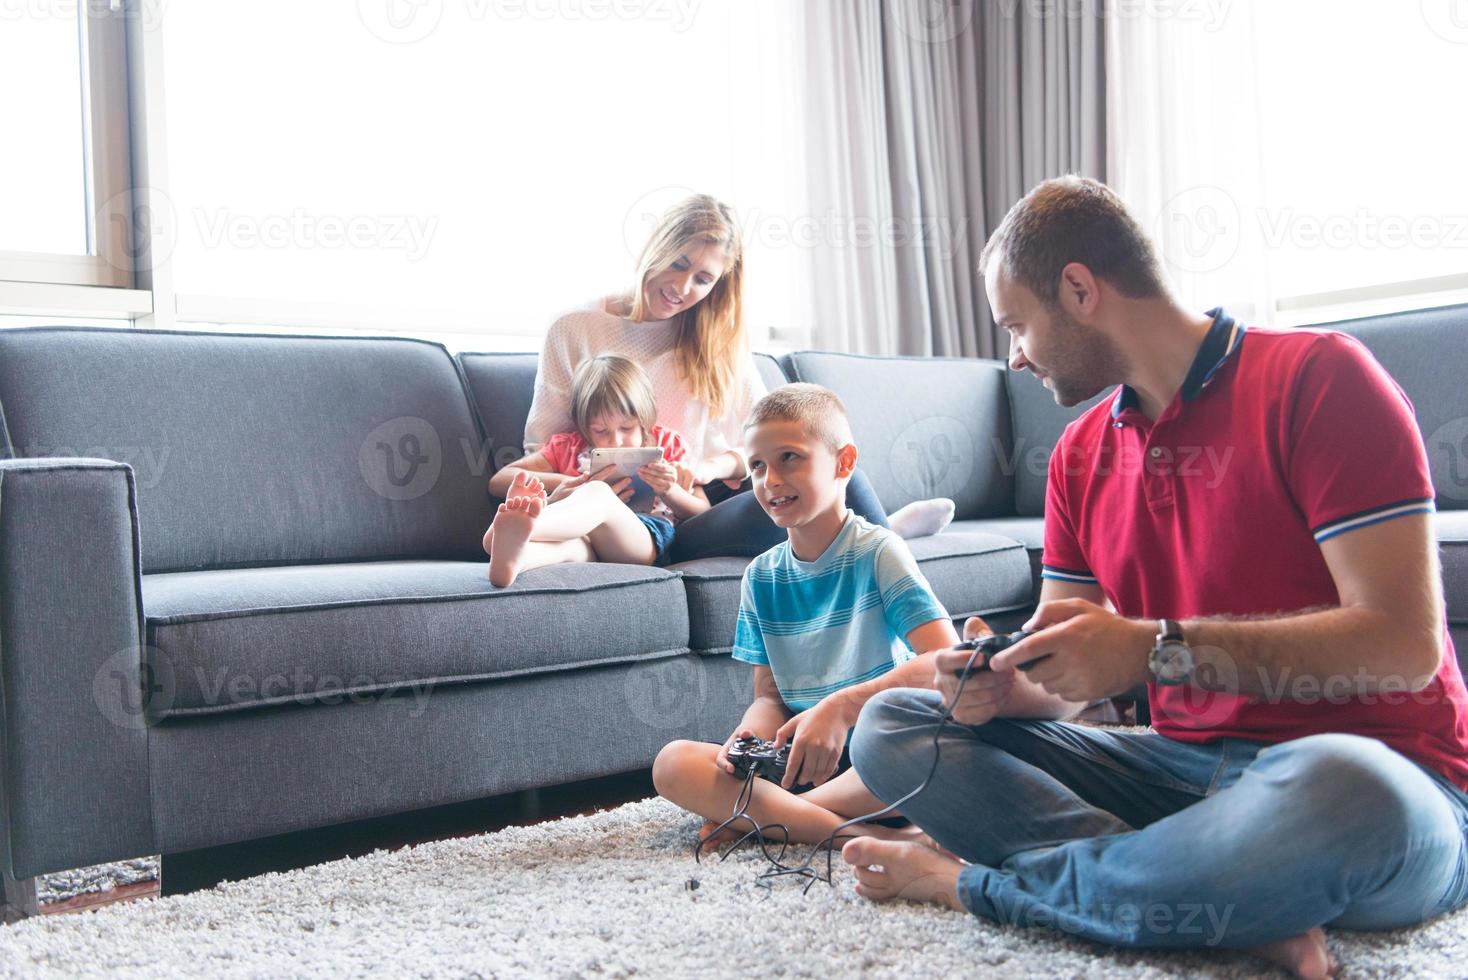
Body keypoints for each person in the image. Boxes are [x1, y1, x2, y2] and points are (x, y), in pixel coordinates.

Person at [839, 176, 1468, 980]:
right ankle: (1211, 899)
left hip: (1384, 779)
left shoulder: (1320, 379)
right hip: (1184, 774)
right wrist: (1000, 685)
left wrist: (1155, 651)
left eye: (1017, 325)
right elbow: (1062, 676)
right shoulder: (1076, 453)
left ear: (1079, 289)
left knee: (1345, 789)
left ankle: (982, 888)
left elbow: (1403, 645)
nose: (1015, 355)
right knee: (896, 725)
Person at [520, 193, 952, 563]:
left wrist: (706, 467)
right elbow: (541, 450)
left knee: (836, 472)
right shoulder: (574, 329)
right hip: (658, 523)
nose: (682, 287)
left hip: (700, 501)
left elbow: (764, 444)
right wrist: (578, 483)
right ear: (656, 245)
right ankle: (886, 531)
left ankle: (886, 542)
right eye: (677, 263)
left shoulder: (715, 342)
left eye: (702, 279)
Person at [652, 384, 974, 847]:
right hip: (801, 764)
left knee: (945, 751)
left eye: (790, 458)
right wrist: (747, 740)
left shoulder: (878, 551)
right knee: (672, 764)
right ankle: (864, 838)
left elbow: (948, 660)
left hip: (879, 751)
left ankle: (768, 816)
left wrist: (840, 709)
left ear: (843, 463)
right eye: (758, 466)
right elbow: (769, 696)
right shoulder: (760, 577)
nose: (770, 480)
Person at [483, 354, 708, 587]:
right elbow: (500, 480)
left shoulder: (667, 443)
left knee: (599, 493)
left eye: (626, 428)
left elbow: (703, 510)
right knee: (569, 548)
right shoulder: (568, 447)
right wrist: (572, 484)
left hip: (644, 538)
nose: (616, 440)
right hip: (585, 541)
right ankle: (514, 560)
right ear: (584, 425)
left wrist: (670, 490)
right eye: (601, 430)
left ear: (644, 420)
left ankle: (524, 527)